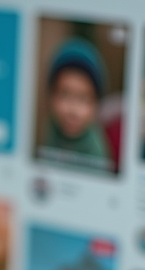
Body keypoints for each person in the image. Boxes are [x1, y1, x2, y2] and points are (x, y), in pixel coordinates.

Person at [40, 38, 113, 171]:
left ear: (96, 105)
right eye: (64, 95)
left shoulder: (96, 152)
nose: (73, 110)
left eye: (83, 99)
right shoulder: (47, 132)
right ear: (50, 96)